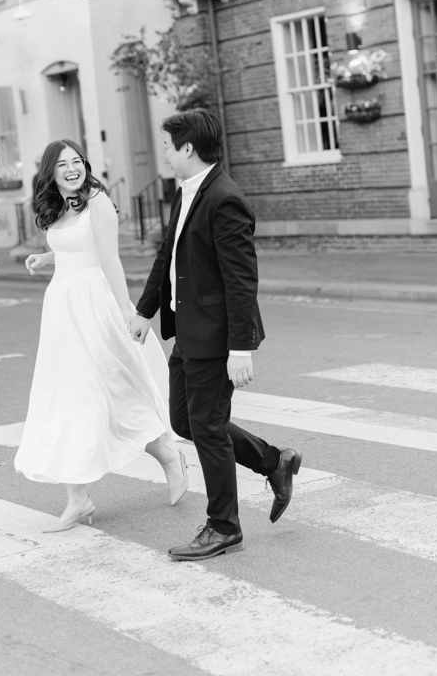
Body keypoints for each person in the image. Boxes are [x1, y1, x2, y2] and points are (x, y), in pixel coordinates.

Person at [130, 109, 301, 561]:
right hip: (186, 329)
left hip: (215, 336)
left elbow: (241, 279)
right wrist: (144, 310)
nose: (164, 153)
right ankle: (273, 461)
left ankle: (224, 526)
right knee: (186, 420)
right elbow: (168, 256)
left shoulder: (224, 198)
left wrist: (240, 347)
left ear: (187, 148)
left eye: (168, 145)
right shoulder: (186, 193)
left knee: (205, 426)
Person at [15, 138, 188, 531]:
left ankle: (167, 455)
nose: (73, 169)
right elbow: (77, 246)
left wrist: (128, 311)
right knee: (66, 397)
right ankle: (78, 498)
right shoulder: (61, 205)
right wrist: (48, 255)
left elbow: (108, 257)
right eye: (63, 164)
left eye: (77, 161)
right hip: (63, 310)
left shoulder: (98, 200)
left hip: (95, 305)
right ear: (50, 172)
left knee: (114, 392)